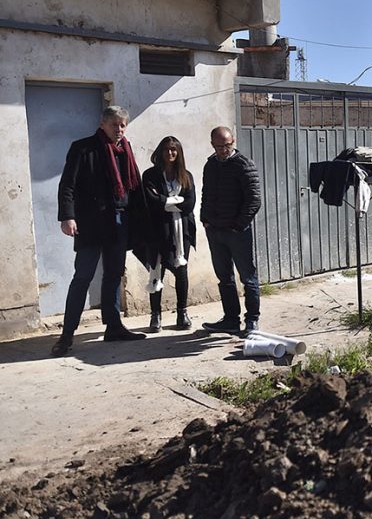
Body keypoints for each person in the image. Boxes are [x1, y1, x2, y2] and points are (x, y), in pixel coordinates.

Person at [52, 106, 146, 356]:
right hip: (91, 224)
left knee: (114, 275)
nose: (119, 129)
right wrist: (67, 216)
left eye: (123, 125)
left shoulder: (125, 150)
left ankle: (113, 327)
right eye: (115, 124)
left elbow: (133, 187)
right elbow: (67, 185)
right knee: (82, 277)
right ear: (102, 124)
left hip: (120, 222)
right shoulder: (83, 148)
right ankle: (67, 335)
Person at [200, 126, 262, 335]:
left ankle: (252, 320)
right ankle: (230, 319)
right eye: (219, 146)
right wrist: (205, 219)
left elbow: (254, 200)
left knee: (248, 277)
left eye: (227, 145)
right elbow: (206, 193)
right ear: (212, 145)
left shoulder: (243, 164)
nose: (223, 150)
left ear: (233, 141)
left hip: (237, 232)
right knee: (224, 278)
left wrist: (238, 225)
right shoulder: (210, 165)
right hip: (215, 231)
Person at [139, 136, 196, 331]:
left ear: (178, 153)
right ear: (160, 152)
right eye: (166, 150)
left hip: (182, 232)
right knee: (156, 270)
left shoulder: (186, 176)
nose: (170, 153)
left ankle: (182, 313)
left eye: (174, 150)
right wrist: (173, 202)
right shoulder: (150, 175)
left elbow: (190, 204)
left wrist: (165, 201)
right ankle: (156, 316)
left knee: (181, 272)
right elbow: (151, 201)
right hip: (156, 230)